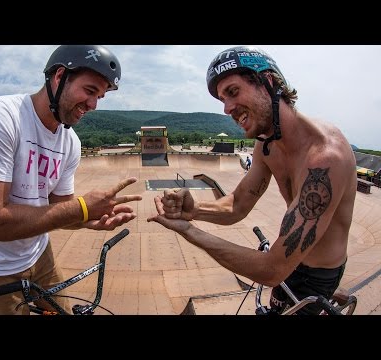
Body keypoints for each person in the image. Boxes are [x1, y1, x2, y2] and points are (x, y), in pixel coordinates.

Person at [148, 46, 357, 315]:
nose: (227, 108)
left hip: (317, 274)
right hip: (291, 263)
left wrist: (188, 231)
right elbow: (237, 204)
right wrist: (195, 210)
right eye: (222, 99)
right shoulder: (266, 144)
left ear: (268, 82)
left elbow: (272, 269)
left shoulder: (325, 159)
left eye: (233, 92)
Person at [0, 45, 142, 315]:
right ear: (59, 76)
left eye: (100, 97)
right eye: (90, 91)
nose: (93, 105)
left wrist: (88, 220)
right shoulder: (0, 117)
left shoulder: (69, 143)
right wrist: (82, 207)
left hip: (40, 253)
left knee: (62, 312)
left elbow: (58, 210)